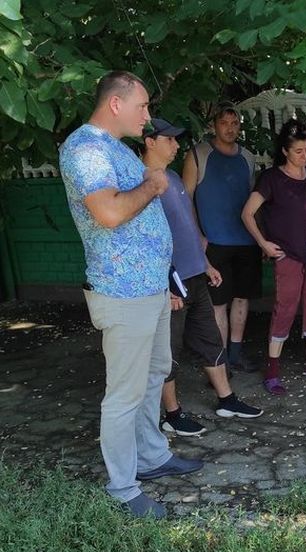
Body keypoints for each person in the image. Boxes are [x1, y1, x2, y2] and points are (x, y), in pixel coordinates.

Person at [59, 71, 202, 519]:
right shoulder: (84, 150)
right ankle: (122, 488)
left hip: (149, 286)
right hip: (122, 290)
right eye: (142, 107)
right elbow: (108, 213)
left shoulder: (115, 148)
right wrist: (154, 183)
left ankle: (152, 455)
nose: (148, 116)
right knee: (123, 393)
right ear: (115, 104)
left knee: (155, 372)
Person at [141, 118, 264, 435]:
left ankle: (227, 399)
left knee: (211, 341)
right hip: (171, 283)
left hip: (195, 274)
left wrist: (204, 263)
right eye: (169, 140)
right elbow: (146, 240)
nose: (177, 145)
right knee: (167, 351)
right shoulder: (141, 182)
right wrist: (164, 285)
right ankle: (172, 414)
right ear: (150, 142)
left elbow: (187, 225)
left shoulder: (172, 178)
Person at [241, 119, 306, 394]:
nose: (304, 156)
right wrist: (263, 243)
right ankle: (272, 369)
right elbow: (247, 213)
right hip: (288, 254)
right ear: (285, 151)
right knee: (285, 306)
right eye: (298, 151)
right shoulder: (272, 178)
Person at [183, 101, 260, 373]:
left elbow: (255, 199)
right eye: (224, 123)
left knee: (242, 298)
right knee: (218, 304)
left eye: (234, 123)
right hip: (214, 243)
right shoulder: (198, 155)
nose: (230, 128)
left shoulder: (248, 157)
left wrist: (260, 238)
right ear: (213, 125)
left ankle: (236, 352)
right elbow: (185, 199)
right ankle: (221, 359)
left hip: (246, 242)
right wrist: (198, 236)